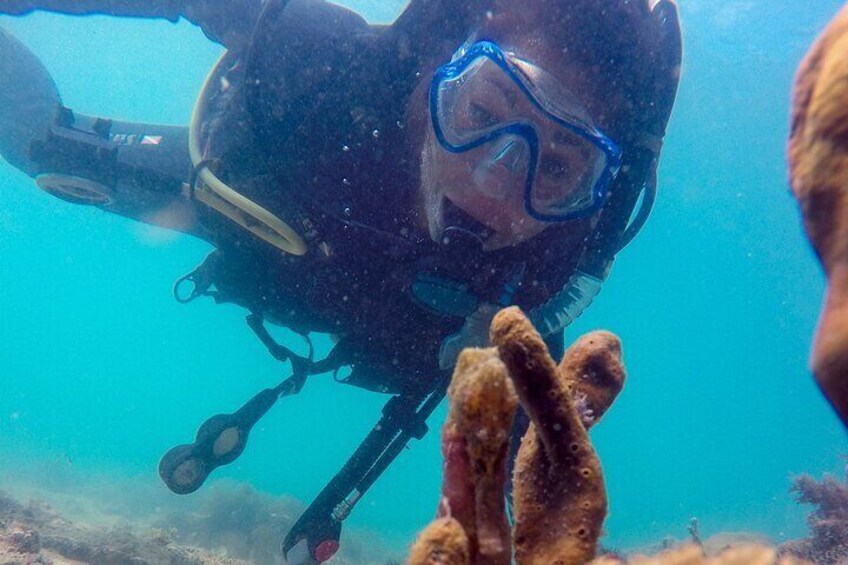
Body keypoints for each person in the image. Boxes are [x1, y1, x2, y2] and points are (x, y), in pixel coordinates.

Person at [0, 0, 682, 562]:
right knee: (44, 148)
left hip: (310, 272)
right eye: (482, 113)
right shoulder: (327, 71)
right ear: (446, 64)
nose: (492, 178)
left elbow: (533, 514)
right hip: (251, 208)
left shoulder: (525, 324)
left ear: (590, 204)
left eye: (557, 168)